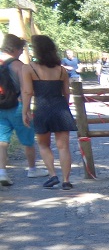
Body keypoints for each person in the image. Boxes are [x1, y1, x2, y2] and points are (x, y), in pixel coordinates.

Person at [21, 35, 77, 190]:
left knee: (43, 144)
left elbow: (27, 92)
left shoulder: (29, 68)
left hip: (42, 108)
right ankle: (66, 180)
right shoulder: (62, 70)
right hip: (60, 108)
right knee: (63, 146)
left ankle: (53, 175)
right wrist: (63, 108)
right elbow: (66, 92)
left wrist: (25, 111)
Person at [0, 33, 41, 185]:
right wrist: (27, 109)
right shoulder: (19, 66)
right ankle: (32, 169)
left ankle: (2, 172)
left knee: (2, 140)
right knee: (27, 140)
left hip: (0, 107)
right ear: (16, 49)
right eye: (22, 49)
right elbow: (26, 89)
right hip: (17, 106)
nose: (23, 52)